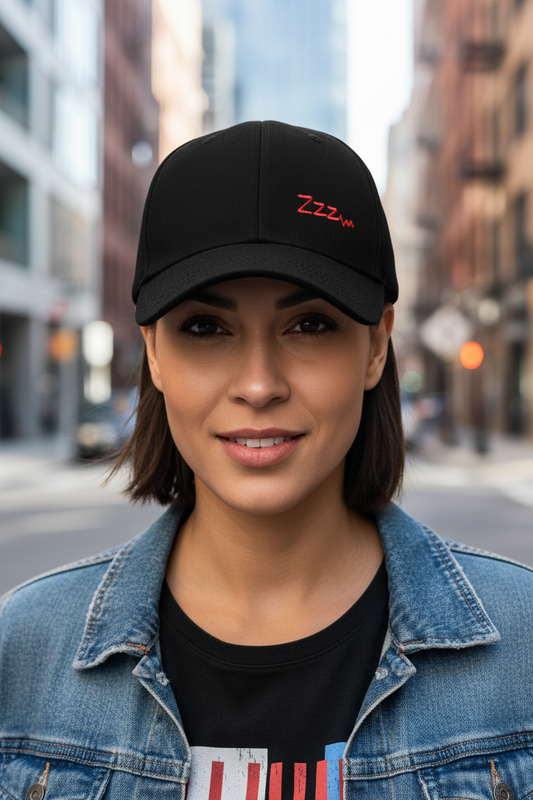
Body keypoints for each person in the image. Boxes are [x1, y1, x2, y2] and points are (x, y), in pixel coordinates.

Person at [1, 121, 532, 800]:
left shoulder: (520, 647)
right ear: (154, 352)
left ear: (376, 346)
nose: (258, 385)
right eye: (205, 327)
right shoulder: (25, 649)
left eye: (309, 324)